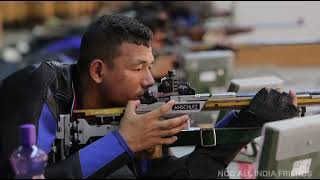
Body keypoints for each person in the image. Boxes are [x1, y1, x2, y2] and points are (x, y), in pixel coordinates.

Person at [0, 15, 300, 179]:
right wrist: (123, 143)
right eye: (138, 67)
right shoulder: (40, 90)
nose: (149, 79)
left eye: (150, 65)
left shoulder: (131, 108)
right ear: (98, 71)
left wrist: (243, 123)